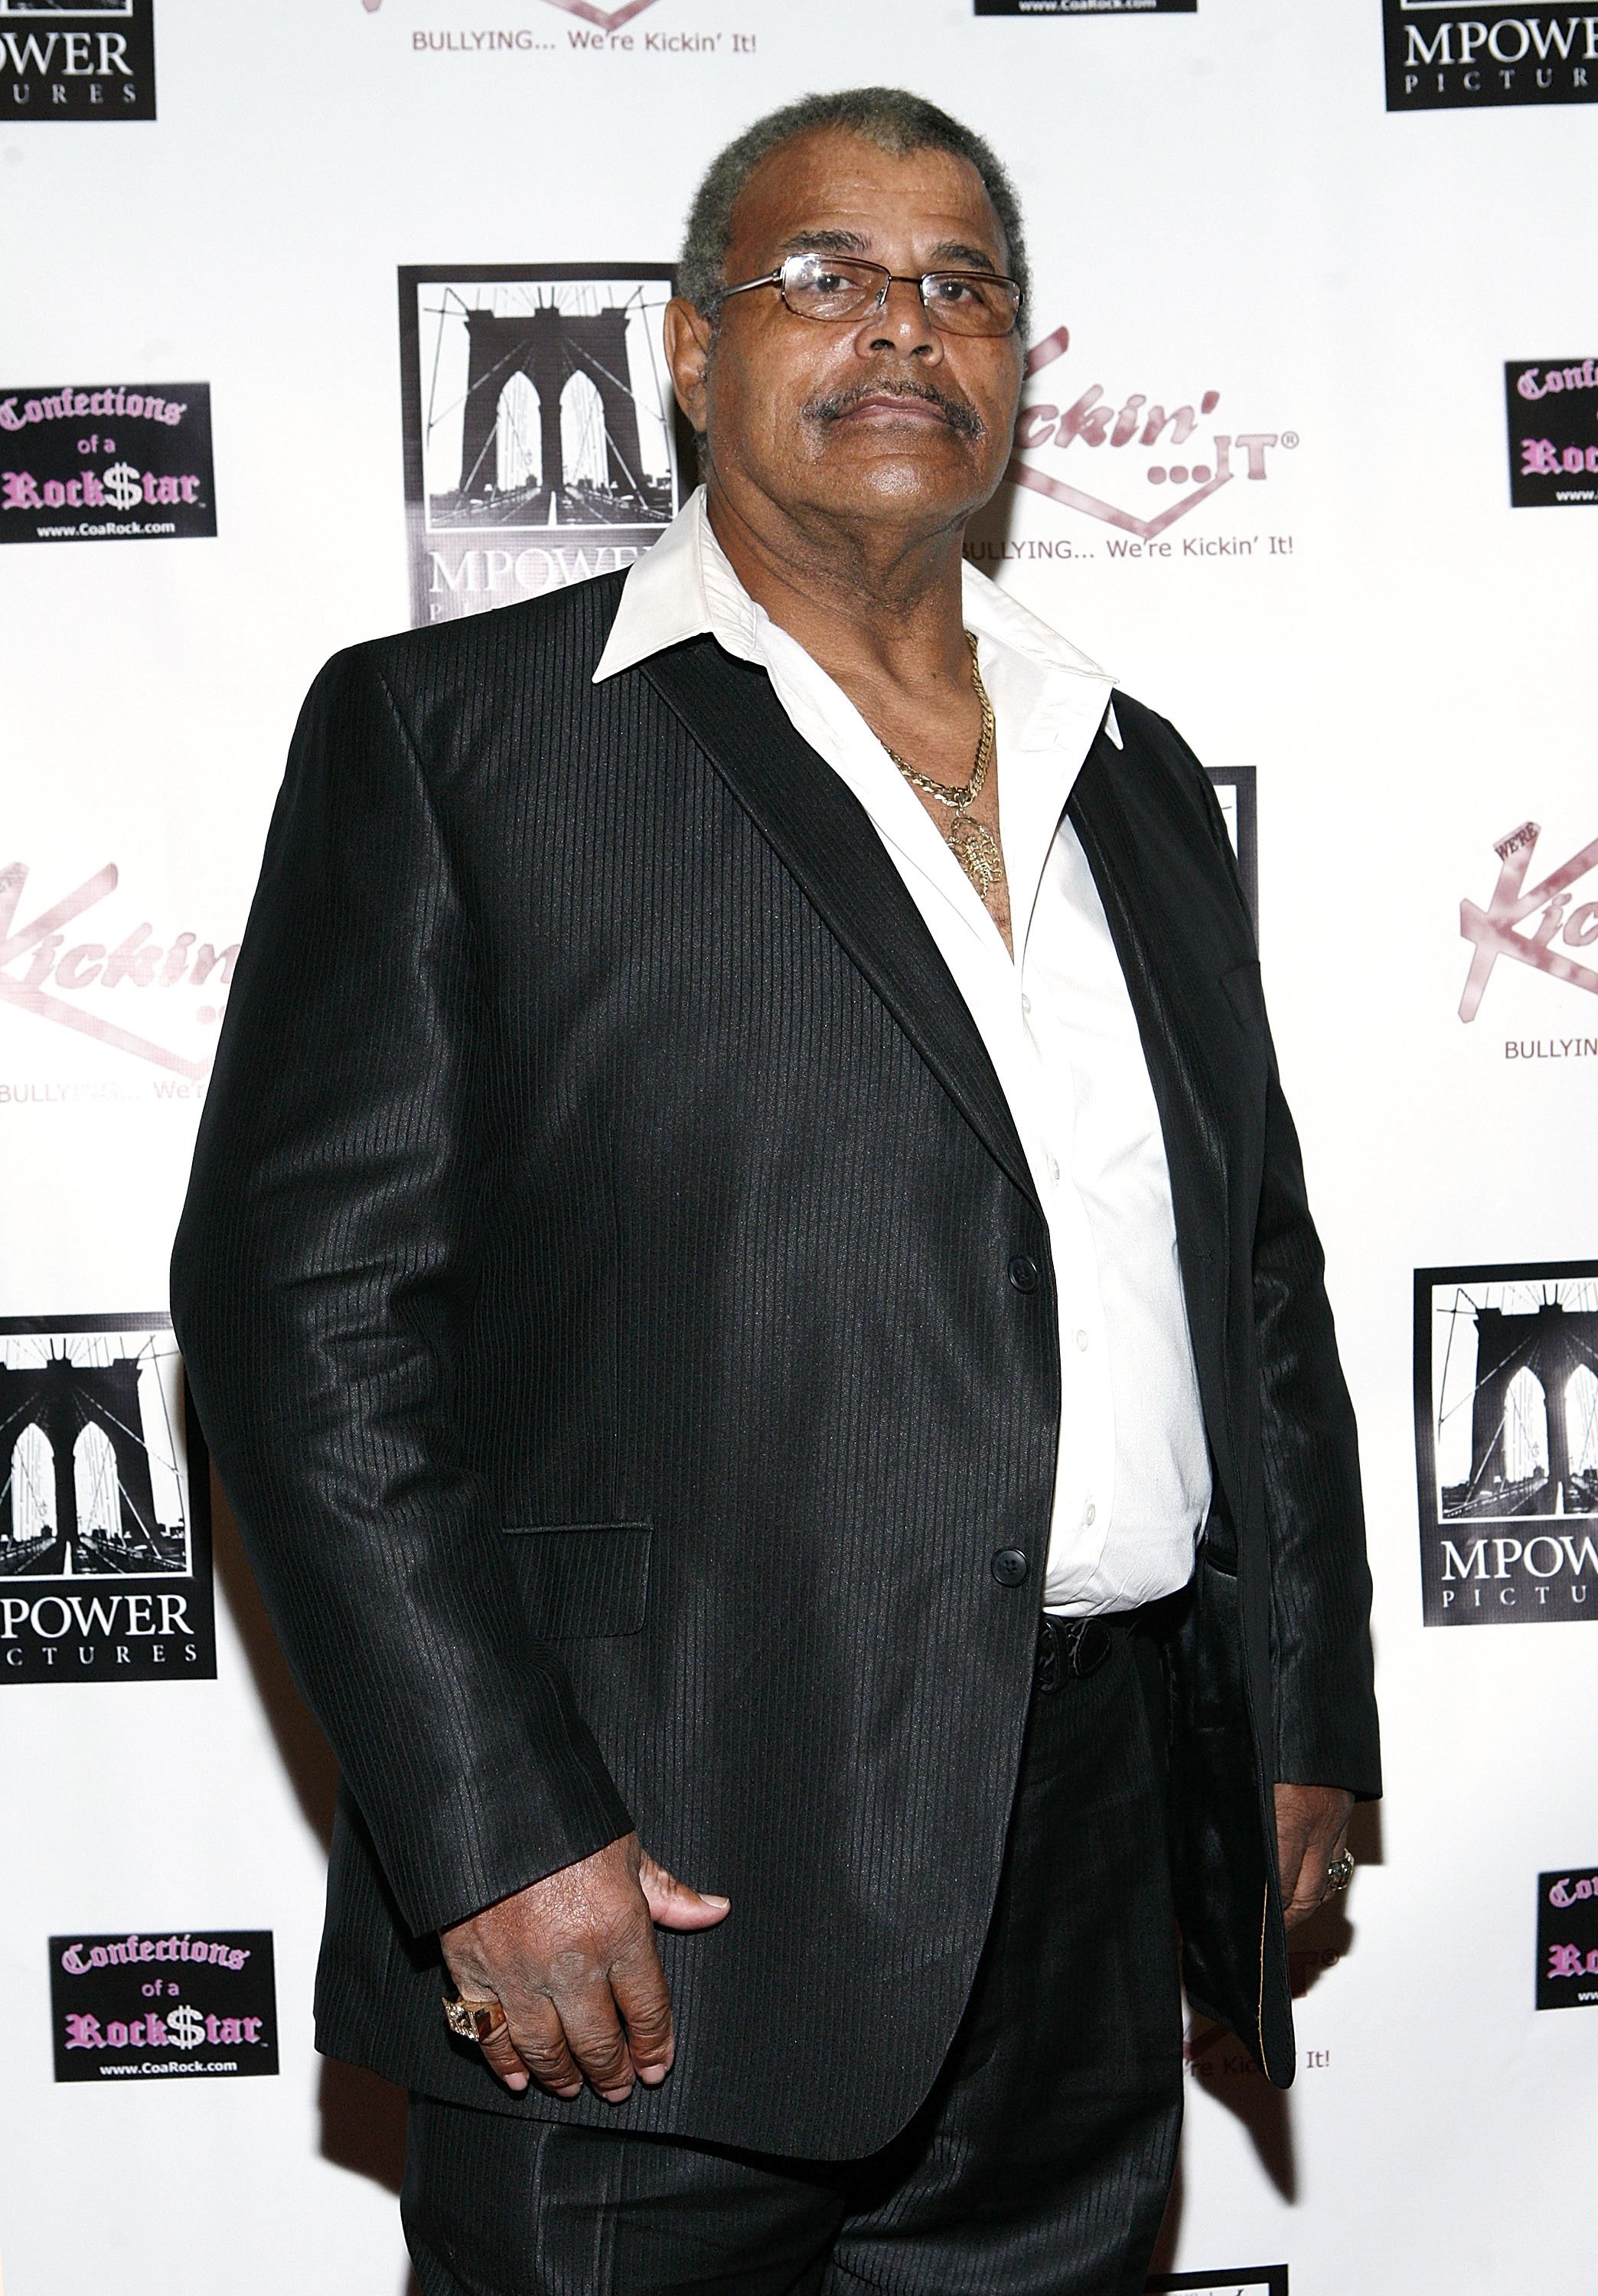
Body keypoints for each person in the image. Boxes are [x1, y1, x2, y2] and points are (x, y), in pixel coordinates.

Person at [171, 86, 1380, 2296]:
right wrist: (498, 1840)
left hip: (1093, 1876)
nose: (901, 331)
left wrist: (1292, 1726)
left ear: (1025, 366)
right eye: (822, 275)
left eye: (962, 287)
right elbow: (306, 1325)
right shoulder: (464, 742)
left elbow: (1254, 1288)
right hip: (652, 1901)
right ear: (684, 349)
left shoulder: (1139, 774)